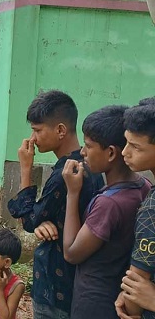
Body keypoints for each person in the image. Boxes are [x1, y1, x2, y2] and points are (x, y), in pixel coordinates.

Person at [7, 90, 104, 319]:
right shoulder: (88, 165)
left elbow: (29, 221)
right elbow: (39, 220)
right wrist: (41, 221)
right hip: (76, 285)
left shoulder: (65, 173)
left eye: (37, 130)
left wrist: (25, 169)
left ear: (60, 130)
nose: (32, 138)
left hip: (55, 289)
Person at [61, 105, 150, 319]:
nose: (82, 152)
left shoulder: (109, 204)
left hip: (95, 302)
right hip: (119, 297)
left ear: (111, 152)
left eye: (89, 146)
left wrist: (72, 194)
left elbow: (71, 253)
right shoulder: (144, 186)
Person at [115, 100, 155, 319]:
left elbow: (137, 283)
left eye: (136, 146)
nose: (124, 152)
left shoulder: (152, 211)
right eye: (126, 142)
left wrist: (133, 304)